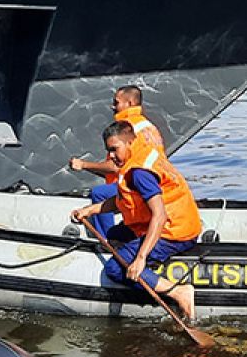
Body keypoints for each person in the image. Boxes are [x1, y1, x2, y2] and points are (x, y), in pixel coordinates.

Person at [71, 120, 202, 319]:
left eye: (115, 150)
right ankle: (148, 270)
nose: (111, 157)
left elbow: (160, 215)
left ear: (130, 143)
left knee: (115, 269)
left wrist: (140, 258)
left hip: (174, 230)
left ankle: (178, 292)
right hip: (176, 221)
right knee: (114, 235)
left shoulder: (140, 173)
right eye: (109, 151)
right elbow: (122, 199)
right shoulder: (139, 156)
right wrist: (89, 210)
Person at [68, 85, 164, 235]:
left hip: (139, 181)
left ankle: (106, 239)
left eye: (116, 102)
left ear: (130, 103)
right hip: (154, 178)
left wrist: (83, 165)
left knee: (99, 193)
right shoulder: (147, 126)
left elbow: (115, 167)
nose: (112, 106)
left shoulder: (127, 129)